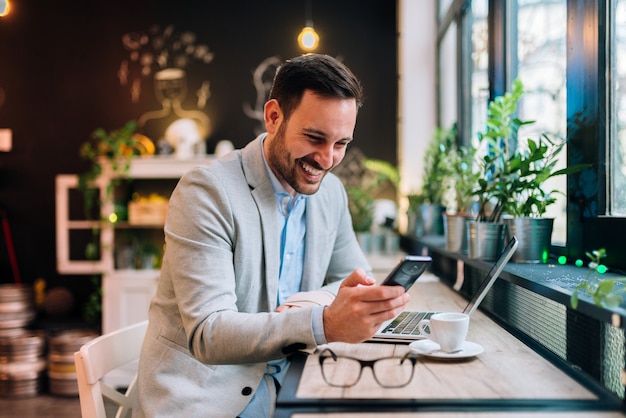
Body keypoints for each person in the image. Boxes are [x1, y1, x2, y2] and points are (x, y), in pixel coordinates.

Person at [135, 53, 410, 418]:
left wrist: (309, 305)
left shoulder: (329, 194)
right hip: (206, 398)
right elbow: (209, 332)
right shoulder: (206, 192)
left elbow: (353, 279)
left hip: (293, 381)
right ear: (273, 116)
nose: (327, 159)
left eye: (341, 144)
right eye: (315, 137)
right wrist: (323, 321)